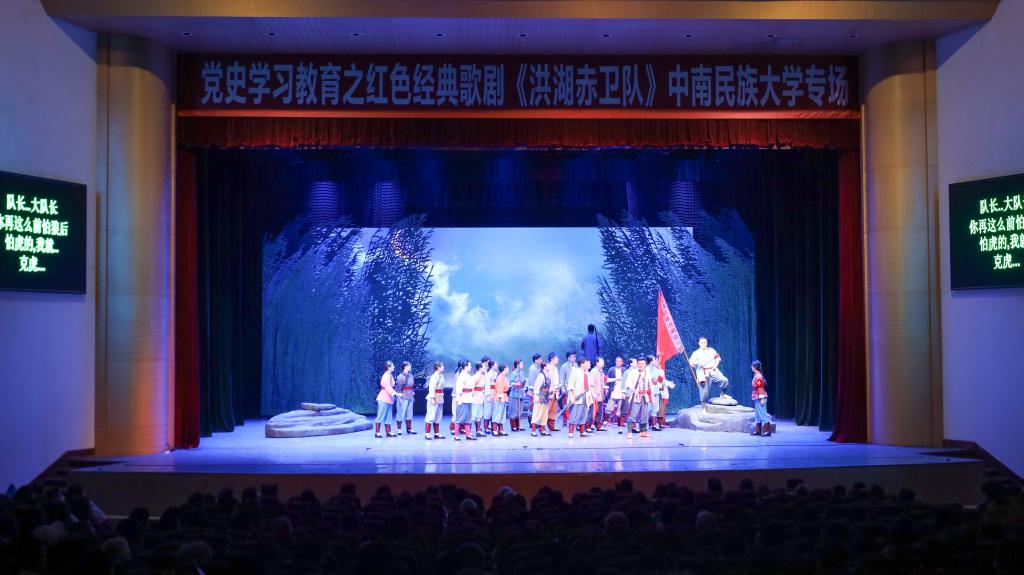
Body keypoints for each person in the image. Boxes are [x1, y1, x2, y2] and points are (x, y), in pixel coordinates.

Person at [689, 337, 731, 411]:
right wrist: (698, 363)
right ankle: (703, 408)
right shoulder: (696, 353)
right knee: (704, 391)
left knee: (725, 380)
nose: (703, 344)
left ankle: (723, 394)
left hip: (713, 371)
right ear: (699, 344)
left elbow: (718, 358)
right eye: (702, 343)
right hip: (703, 373)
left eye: (705, 342)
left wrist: (715, 366)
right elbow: (691, 362)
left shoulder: (711, 350)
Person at [627, 356, 651, 438]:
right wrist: (633, 389)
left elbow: (651, 382)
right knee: (633, 414)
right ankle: (629, 432)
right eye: (639, 363)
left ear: (645, 364)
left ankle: (643, 431)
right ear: (637, 364)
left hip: (645, 395)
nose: (641, 365)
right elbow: (628, 383)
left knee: (645, 414)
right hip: (636, 396)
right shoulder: (633, 372)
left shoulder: (648, 372)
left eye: (642, 364)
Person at [566, 357, 591, 438]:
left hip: (585, 396)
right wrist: (571, 396)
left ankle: (582, 432)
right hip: (577, 396)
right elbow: (570, 385)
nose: (587, 364)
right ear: (582, 364)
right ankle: (571, 432)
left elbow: (588, 385)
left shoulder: (587, 373)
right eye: (586, 363)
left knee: (584, 414)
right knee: (575, 414)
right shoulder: (575, 372)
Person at [452, 361, 476, 441]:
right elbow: (459, 389)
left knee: (468, 418)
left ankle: (468, 434)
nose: (471, 367)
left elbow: (472, 387)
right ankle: (456, 435)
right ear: (465, 366)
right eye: (470, 365)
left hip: (469, 398)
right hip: (463, 399)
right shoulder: (461, 376)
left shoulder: (468, 376)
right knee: (460, 417)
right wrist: (459, 399)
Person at [374, 361, 397, 438]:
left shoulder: (390, 375)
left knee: (388, 415)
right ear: (389, 367)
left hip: (389, 397)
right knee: (381, 414)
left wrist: (394, 394)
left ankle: (388, 431)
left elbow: (392, 385)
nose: (394, 367)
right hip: (384, 397)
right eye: (392, 365)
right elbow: (387, 387)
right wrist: (395, 394)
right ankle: (377, 432)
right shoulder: (385, 376)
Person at [530, 361, 553, 436]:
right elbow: (536, 387)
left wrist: (552, 390)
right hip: (540, 397)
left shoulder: (547, 375)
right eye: (548, 365)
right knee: (537, 414)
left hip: (545, 397)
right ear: (544, 367)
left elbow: (547, 387)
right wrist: (536, 396)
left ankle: (542, 430)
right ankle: (533, 431)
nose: (549, 367)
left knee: (544, 415)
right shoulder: (541, 376)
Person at [606, 356, 628, 434]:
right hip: (613, 390)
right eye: (616, 361)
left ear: (622, 362)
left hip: (621, 391)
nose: (617, 362)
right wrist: (606, 389)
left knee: (619, 409)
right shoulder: (611, 369)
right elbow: (607, 380)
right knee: (609, 408)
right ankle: (607, 421)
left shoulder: (625, 370)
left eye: (619, 361)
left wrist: (625, 392)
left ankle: (620, 426)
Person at [424, 362, 446, 440]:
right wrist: (433, 398)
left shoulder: (441, 376)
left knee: (438, 416)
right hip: (434, 398)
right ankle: (427, 433)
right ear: (438, 367)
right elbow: (431, 388)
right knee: (431, 415)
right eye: (442, 366)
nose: (443, 367)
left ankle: (437, 433)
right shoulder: (434, 376)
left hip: (440, 397)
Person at [750, 359, 772, 437]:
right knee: (757, 415)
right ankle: (758, 431)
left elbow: (760, 388)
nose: (751, 367)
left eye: (752, 366)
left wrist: (762, 398)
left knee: (762, 414)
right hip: (757, 398)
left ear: (754, 367)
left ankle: (768, 431)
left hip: (760, 398)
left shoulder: (758, 377)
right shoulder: (756, 375)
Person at [394, 361, 416, 435]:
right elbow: (398, 388)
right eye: (409, 365)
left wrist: (412, 392)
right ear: (405, 367)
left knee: (409, 413)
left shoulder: (411, 376)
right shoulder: (400, 376)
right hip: (403, 396)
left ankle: (409, 428)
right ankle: (399, 429)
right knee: (401, 412)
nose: (410, 367)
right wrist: (399, 396)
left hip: (410, 396)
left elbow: (412, 385)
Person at [557, 351, 577, 427]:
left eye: (575, 356)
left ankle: (574, 420)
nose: (574, 358)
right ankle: (565, 420)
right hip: (567, 388)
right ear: (568, 358)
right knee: (566, 405)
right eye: (572, 357)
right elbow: (561, 379)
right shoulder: (564, 366)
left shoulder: (577, 365)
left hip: (576, 389)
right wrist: (562, 388)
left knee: (575, 405)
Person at [588, 356, 608, 432]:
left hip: (600, 395)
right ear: (597, 363)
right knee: (592, 411)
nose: (603, 363)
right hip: (594, 395)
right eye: (601, 362)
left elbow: (602, 382)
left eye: (603, 362)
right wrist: (593, 394)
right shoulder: (593, 372)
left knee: (599, 411)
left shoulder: (601, 372)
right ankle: (588, 426)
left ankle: (598, 426)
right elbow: (591, 384)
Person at [508, 359, 526, 432]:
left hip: (521, 393)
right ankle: (513, 426)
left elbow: (523, 382)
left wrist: (524, 389)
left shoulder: (522, 372)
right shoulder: (513, 373)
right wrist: (516, 384)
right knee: (514, 410)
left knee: (519, 410)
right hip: (515, 394)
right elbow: (511, 383)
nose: (523, 365)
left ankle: (518, 426)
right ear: (518, 365)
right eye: (521, 363)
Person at [646, 355, 663, 431]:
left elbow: (659, 379)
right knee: (647, 409)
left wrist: (668, 383)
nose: (656, 362)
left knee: (655, 408)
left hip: (656, 391)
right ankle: (645, 425)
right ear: (651, 361)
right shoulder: (646, 370)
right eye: (654, 360)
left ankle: (654, 425)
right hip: (649, 392)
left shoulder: (656, 369)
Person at [470, 361, 486, 438]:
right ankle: (469, 432)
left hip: (480, 397)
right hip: (475, 398)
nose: (485, 368)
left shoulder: (482, 376)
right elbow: (472, 388)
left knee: (479, 415)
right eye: (483, 367)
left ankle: (478, 431)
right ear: (480, 368)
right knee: (473, 415)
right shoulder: (475, 376)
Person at [493, 363, 510, 436]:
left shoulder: (503, 377)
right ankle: (494, 430)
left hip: (503, 396)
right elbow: (499, 388)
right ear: (504, 369)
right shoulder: (500, 377)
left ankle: (500, 429)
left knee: (502, 414)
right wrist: (501, 397)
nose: (508, 369)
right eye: (507, 368)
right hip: (499, 398)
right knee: (497, 413)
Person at [547, 352, 562, 432]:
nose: (558, 359)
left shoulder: (555, 368)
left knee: (553, 410)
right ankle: (542, 427)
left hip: (555, 392)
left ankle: (551, 426)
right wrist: (550, 390)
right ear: (552, 359)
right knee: (547, 409)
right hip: (549, 393)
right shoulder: (548, 368)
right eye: (556, 358)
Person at [482, 358, 497, 435]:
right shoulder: (488, 374)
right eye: (495, 364)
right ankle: (486, 427)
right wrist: (488, 395)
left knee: (493, 411)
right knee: (487, 411)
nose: (497, 365)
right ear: (492, 366)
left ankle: (492, 426)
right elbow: (487, 386)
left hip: (494, 393)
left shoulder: (495, 373)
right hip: (489, 393)